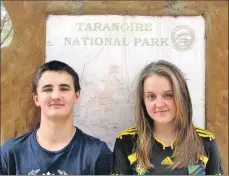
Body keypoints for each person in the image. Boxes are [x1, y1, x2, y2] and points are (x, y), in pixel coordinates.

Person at [0, 60, 112, 175]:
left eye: (64, 89)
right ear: (36, 98)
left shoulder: (97, 153)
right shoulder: (10, 153)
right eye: (47, 89)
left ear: (76, 96)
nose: (56, 96)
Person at [112, 60, 223, 175]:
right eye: (151, 96)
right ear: (143, 100)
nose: (159, 104)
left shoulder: (206, 141)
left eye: (168, 95)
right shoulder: (126, 141)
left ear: (182, 97)